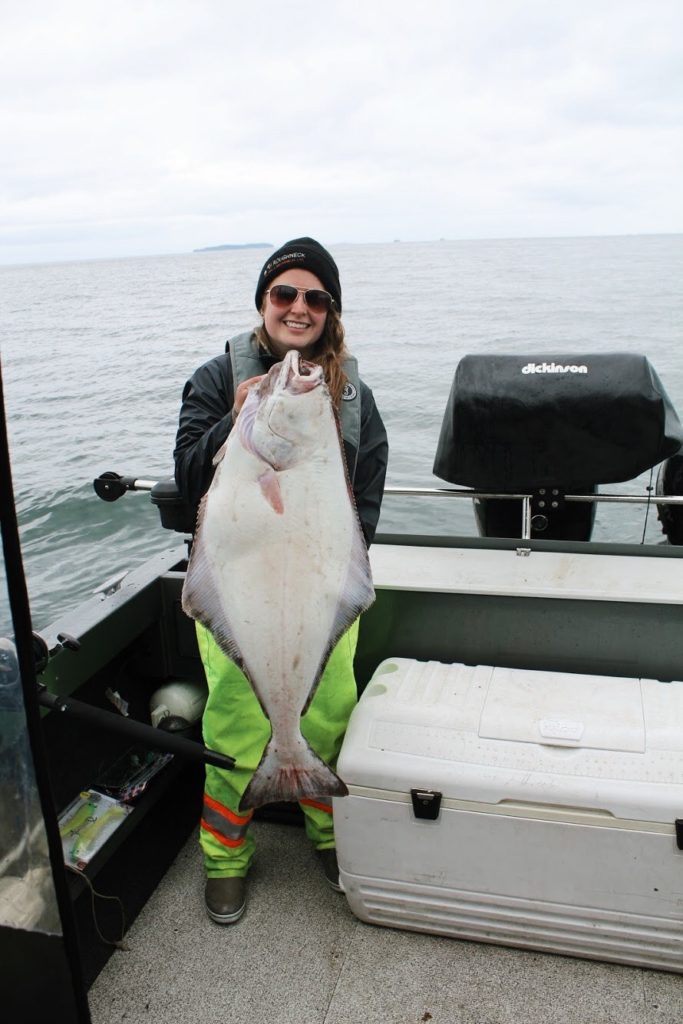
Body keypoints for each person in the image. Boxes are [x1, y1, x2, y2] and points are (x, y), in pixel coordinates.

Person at [174, 237, 388, 924]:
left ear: (331, 311)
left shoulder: (353, 396)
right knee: (235, 733)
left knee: (327, 724)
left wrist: (336, 572)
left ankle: (331, 839)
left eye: (315, 298)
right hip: (242, 596)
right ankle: (225, 862)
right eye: (283, 295)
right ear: (262, 304)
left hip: (319, 595)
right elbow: (185, 482)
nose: (298, 309)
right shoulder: (217, 380)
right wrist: (233, 424)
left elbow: (368, 499)